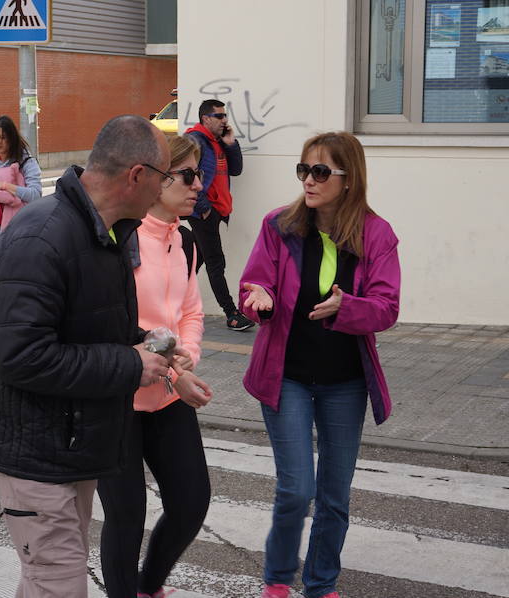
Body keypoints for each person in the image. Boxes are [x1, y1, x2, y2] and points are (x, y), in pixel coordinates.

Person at [0, 115, 187, 598]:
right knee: (58, 583)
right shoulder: (40, 238)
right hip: (34, 451)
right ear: (137, 176)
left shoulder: (107, 231)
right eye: (166, 176)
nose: (167, 188)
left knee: (47, 580)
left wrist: (155, 349)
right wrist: (132, 364)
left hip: (66, 443)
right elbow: (22, 357)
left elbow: (97, 324)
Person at [238, 132, 401, 598]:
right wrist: (259, 297)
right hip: (285, 377)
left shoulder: (377, 234)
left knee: (334, 495)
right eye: (303, 170)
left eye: (321, 172)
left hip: (344, 383)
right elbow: (253, 284)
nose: (308, 180)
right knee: (296, 489)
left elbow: (386, 307)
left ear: (348, 181)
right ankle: (276, 579)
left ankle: (321, 584)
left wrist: (346, 307)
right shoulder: (279, 225)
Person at [97, 135, 214, 598]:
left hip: (167, 394)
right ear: (159, 179)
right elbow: (123, 325)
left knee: (191, 501)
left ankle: (149, 587)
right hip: (119, 396)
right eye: (187, 176)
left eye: (200, 175)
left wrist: (188, 354)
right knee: (126, 516)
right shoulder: (122, 237)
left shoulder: (185, 241)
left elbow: (190, 312)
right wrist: (174, 371)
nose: (197, 185)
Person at [184, 99, 252, 332]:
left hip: (217, 210)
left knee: (197, 259)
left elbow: (236, 169)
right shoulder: (195, 140)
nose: (224, 120)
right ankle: (232, 314)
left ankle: (170, 300)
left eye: (225, 116)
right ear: (206, 119)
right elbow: (188, 176)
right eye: (219, 116)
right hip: (204, 211)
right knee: (216, 261)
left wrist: (231, 143)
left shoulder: (218, 141)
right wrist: (203, 208)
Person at [0, 115, 42, 260]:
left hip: (19, 232)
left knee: (16, 277)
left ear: (11, 138)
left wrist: (5, 186)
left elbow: (35, 195)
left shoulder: (26, 163)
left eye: (3, 137)